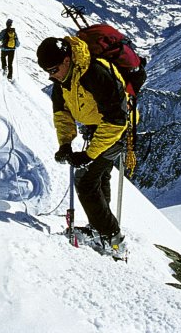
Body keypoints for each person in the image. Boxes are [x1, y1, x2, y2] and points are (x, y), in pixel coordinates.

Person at [36, 36, 128, 252]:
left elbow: (116, 121)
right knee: (98, 176)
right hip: (98, 128)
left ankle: (114, 240)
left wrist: (89, 154)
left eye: (53, 69)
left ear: (67, 60)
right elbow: (62, 114)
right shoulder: (63, 80)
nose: (51, 75)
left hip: (117, 129)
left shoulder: (94, 74)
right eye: (47, 71)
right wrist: (65, 144)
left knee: (86, 180)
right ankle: (99, 229)